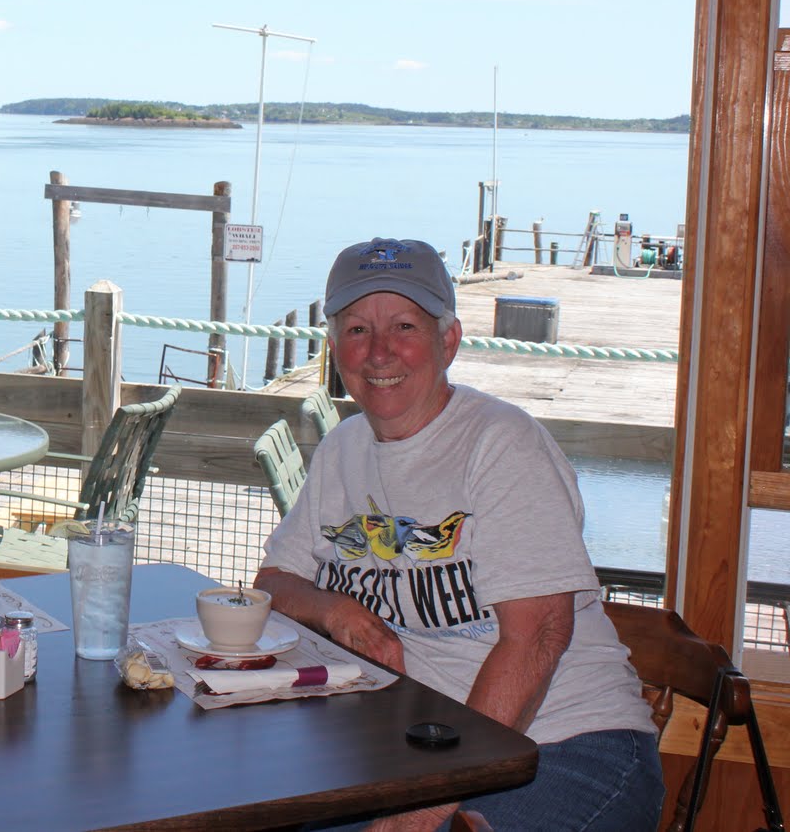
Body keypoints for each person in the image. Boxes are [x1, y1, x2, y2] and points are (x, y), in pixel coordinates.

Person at [257, 238, 662, 832]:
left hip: (568, 745)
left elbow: (539, 637)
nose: (379, 352)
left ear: (448, 340)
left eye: (404, 326)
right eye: (357, 330)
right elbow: (273, 583)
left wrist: (427, 804)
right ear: (335, 347)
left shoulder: (502, 445)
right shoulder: (342, 448)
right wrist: (334, 609)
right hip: (412, 739)